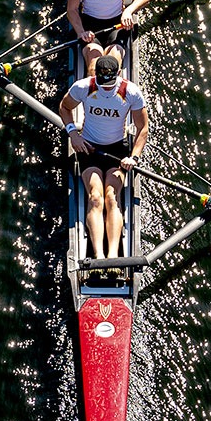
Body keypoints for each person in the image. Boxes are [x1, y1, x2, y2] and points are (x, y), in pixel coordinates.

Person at [59, 51, 147, 266]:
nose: (105, 88)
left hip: (117, 150)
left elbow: (142, 128)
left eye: (109, 84)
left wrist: (134, 158)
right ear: (95, 75)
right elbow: (64, 107)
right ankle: (98, 257)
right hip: (89, 148)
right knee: (96, 197)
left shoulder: (131, 92)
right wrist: (73, 134)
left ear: (118, 75)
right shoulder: (83, 87)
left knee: (112, 197)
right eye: (102, 84)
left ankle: (113, 258)